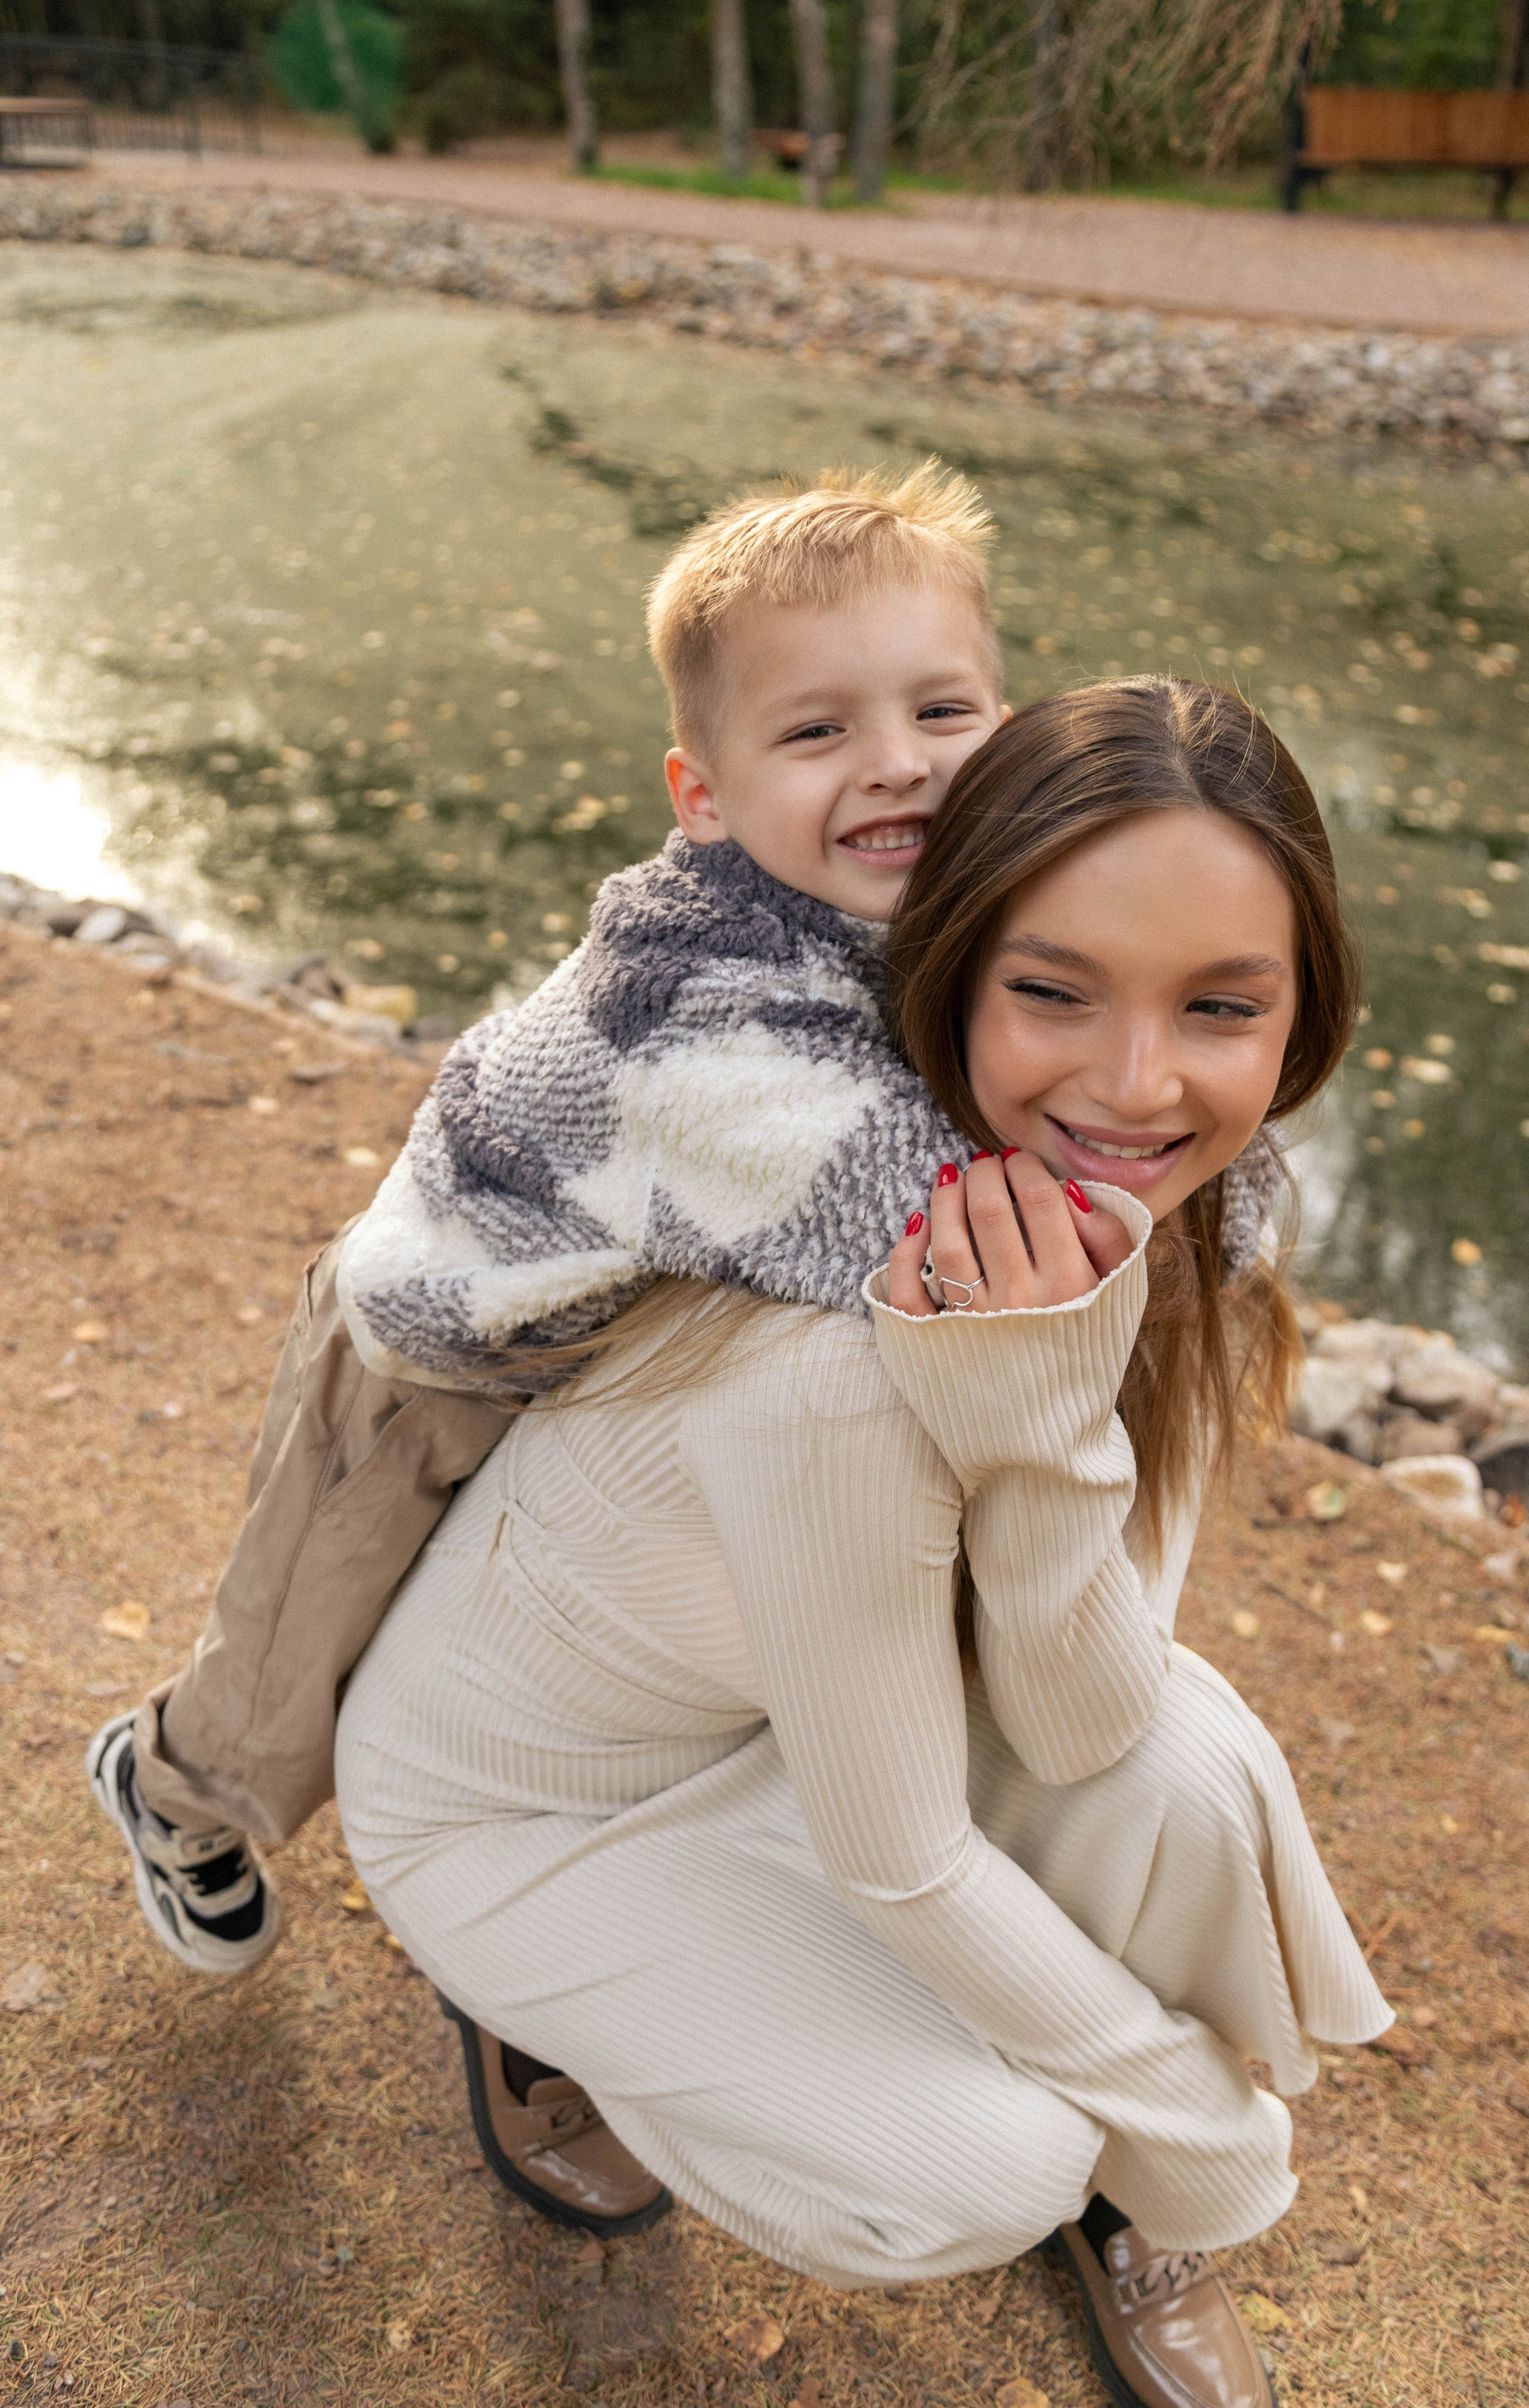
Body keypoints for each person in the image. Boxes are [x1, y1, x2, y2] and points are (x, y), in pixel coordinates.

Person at [332, 677, 1392, 2408]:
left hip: (796, 1727)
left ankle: (1123, 2184)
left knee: (1190, 1769)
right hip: (541, 1803)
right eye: (1050, 990)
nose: (1137, 1083)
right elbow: (898, 1856)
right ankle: (551, 2006)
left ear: (1304, 1016)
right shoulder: (831, 1345)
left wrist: (1038, 1416)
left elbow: (1083, 1720)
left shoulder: (1187, 1232)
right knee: (983, 2166)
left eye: (1219, 1004)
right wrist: (1209, 2126)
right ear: (948, 973)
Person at [84, 460, 1014, 1974]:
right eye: (816, 730)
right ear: (702, 798)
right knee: (302, 1645)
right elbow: (920, 1226)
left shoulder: (922, 899)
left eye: (942, 709)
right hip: (439, 1335)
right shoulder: (690, 1004)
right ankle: (176, 1787)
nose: (897, 763)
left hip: (613, 1323)